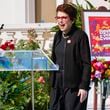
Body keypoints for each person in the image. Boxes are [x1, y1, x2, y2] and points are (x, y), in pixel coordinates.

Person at [49, 3, 91, 110]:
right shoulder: (57, 35)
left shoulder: (80, 36)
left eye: (64, 17)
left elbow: (86, 64)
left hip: (74, 89)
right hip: (57, 87)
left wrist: (84, 87)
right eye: (58, 17)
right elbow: (53, 59)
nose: (60, 21)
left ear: (72, 19)